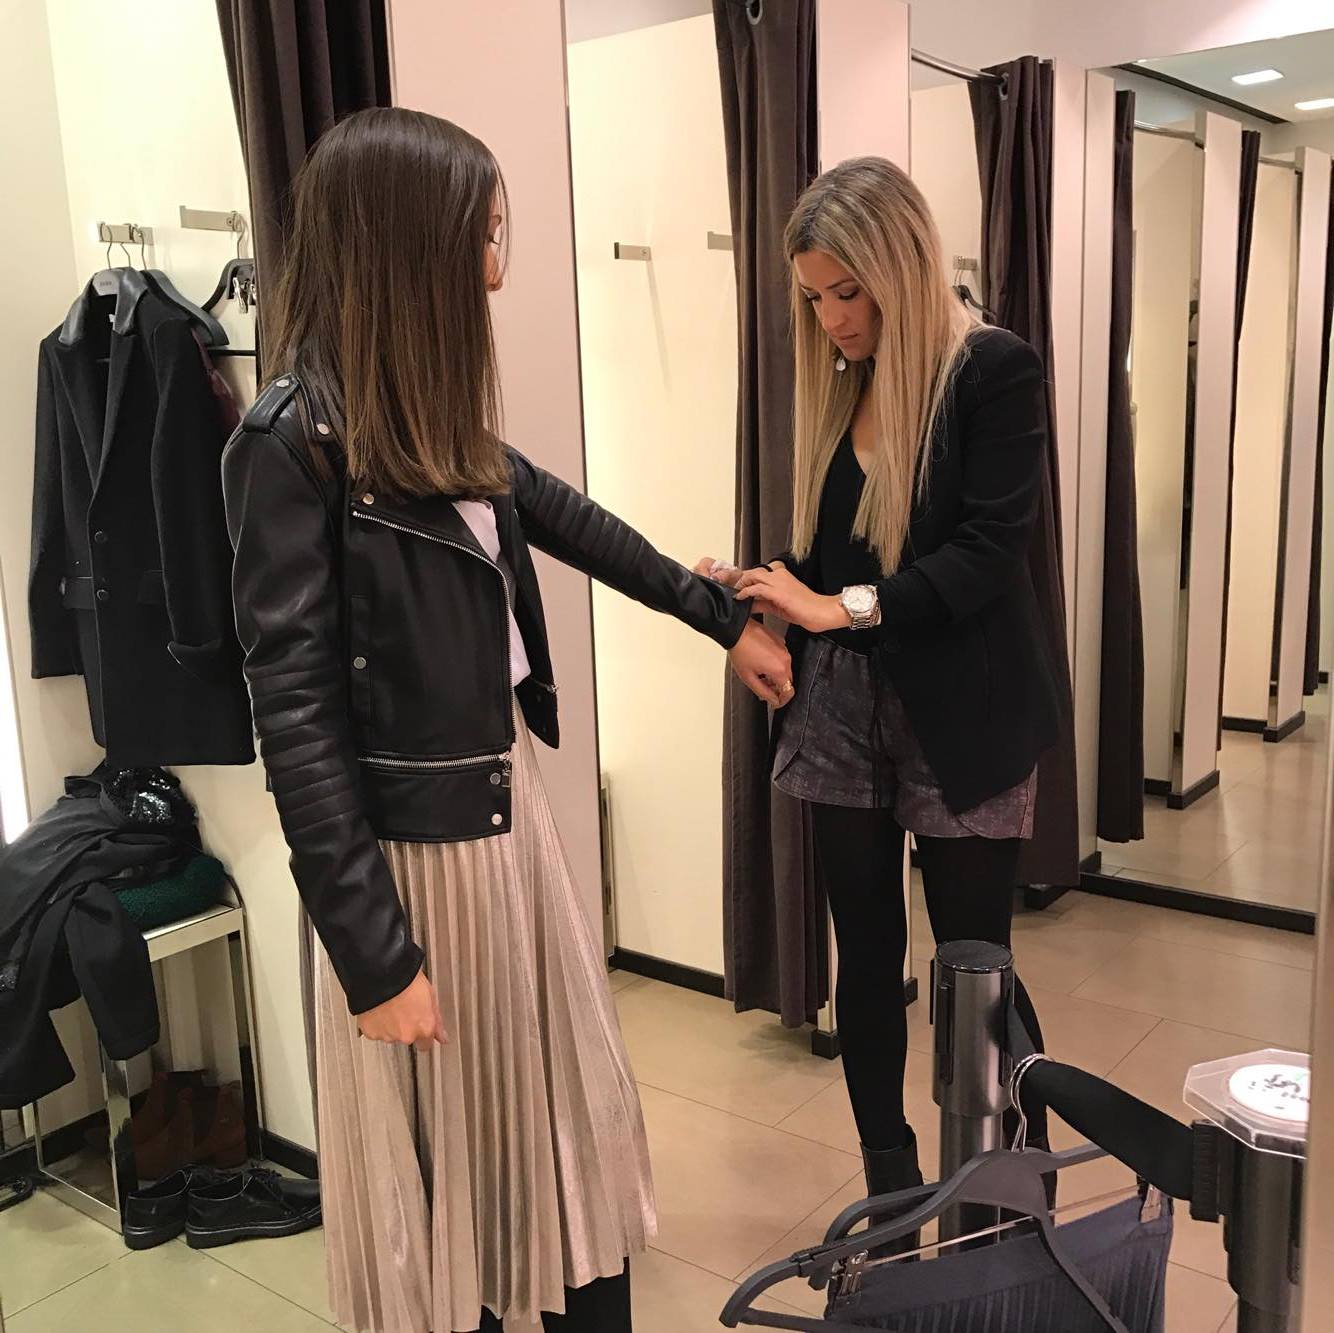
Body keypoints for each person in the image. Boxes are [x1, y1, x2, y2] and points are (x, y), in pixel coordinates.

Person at [222, 107, 791, 1333]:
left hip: (506, 820)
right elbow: (297, 722)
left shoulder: (432, 427)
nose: (494, 268)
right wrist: (375, 957)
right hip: (415, 868)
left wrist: (721, 618)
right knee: (457, 1196)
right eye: (482, 236)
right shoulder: (293, 443)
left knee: (571, 1142)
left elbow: (581, 526)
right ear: (410, 249)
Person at [698, 156, 1058, 1217]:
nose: (832, 321)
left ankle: (1004, 1199)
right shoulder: (842, 387)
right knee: (864, 958)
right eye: (814, 299)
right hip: (844, 710)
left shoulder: (992, 371)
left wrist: (833, 610)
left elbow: (986, 555)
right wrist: (759, 597)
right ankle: (891, 1199)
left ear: (900, 266)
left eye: (847, 292)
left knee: (974, 970)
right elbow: (824, 559)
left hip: (966, 708)